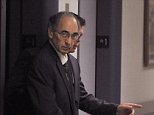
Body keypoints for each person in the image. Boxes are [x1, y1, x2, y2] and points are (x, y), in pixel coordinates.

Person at [25, 11, 142, 115]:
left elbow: (82, 98)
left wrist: (115, 109)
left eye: (74, 36)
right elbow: (47, 109)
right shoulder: (41, 62)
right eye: (64, 34)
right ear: (51, 33)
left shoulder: (73, 62)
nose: (69, 42)